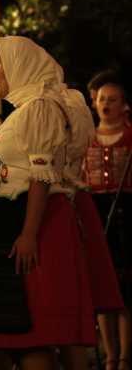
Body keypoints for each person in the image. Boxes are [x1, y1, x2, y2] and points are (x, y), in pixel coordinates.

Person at [0, 36, 96, 370]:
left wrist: (29, 233)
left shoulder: (40, 107)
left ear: (19, 65)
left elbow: (41, 175)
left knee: (37, 328)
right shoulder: (23, 111)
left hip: (37, 217)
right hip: (15, 214)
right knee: (20, 328)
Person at [83, 72, 132, 370]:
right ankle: (110, 356)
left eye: (112, 100)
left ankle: (125, 356)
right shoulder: (86, 137)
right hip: (96, 210)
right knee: (103, 286)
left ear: (124, 104)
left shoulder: (130, 136)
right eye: (102, 99)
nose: (106, 104)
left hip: (125, 210)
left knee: (125, 287)